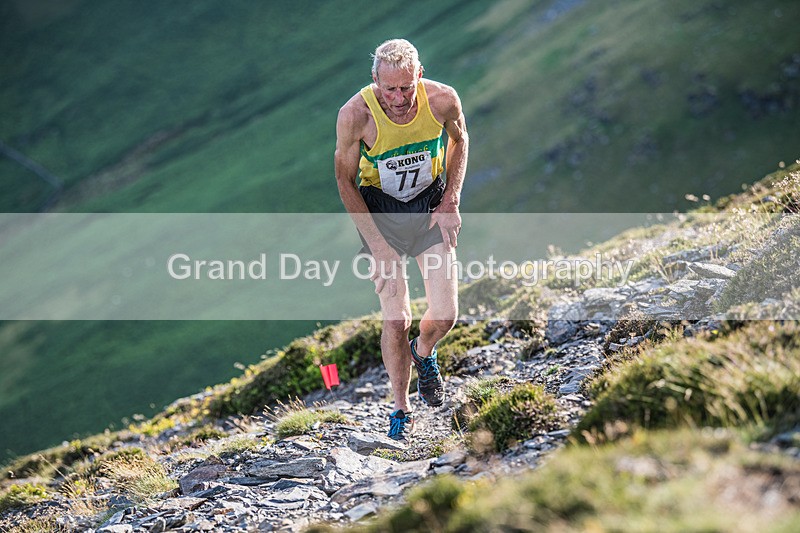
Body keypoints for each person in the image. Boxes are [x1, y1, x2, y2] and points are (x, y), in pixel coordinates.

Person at [334, 39, 469, 442]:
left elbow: (460, 141)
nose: (398, 98)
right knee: (397, 317)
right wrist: (377, 245)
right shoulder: (355, 115)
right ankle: (401, 409)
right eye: (389, 89)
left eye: (406, 87)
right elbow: (344, 178)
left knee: (444, 315)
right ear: (374, 80)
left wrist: (451, 199)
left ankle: (423, 352)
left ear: (419, 75)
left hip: (429, 206)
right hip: (381, 214)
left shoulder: (443, 100)